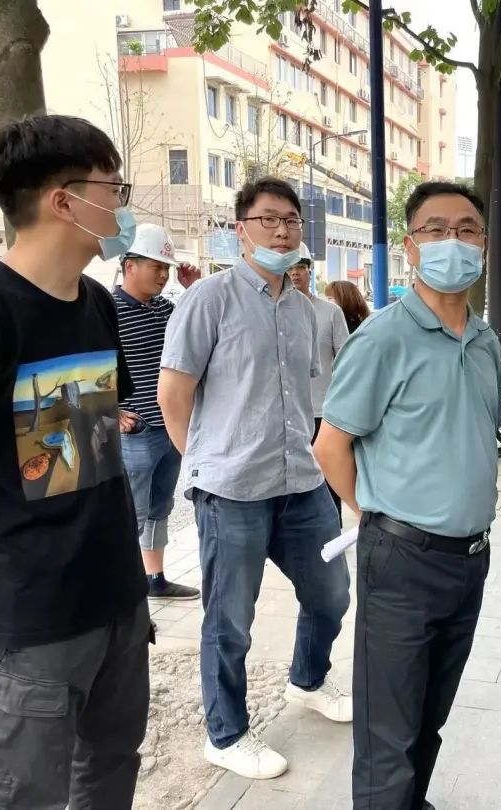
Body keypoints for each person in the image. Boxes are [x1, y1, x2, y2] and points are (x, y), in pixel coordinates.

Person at [0, 115, 150, 808]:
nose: (120, 206)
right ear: (64, 200)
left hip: (114, 595)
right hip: (30, 621)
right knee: (26, 792)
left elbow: (93, 437)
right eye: (113, 188)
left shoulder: (96, 303)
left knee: (111, 765)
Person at [315, 181, 501, 810]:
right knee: (387, 733)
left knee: (429, 717)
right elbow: (331, 447)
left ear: (484, 242)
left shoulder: (486, 341)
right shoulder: (383, 338)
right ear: (411, 245)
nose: (454, 241)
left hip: (469, 558)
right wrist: (377, 517)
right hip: (402, 559)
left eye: (467, 229)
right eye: (436, 229)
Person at [157, 176, 351, 781]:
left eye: (291, 220)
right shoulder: (208, 299)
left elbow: (306, 397)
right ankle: (227, 733)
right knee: (229, 620)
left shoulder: (305, 309)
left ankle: (308, 680)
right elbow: (173, 394)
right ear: (241, 230)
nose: (282, 231)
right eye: (269, 219)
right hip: (232, 491)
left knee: (332, 593)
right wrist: (203, 464)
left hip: (301, 483)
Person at [115, 223, 201, 600]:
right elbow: (90, 366)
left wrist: (192, 289)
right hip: (136, 431)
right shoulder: (108, 309)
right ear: (129, 265)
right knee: (131, 513)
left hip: (170, 426)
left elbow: (198, 334)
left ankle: (154, 579)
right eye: (156, 267)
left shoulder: (167, 309)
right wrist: (111, 411)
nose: (163, 275)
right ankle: (123, 593)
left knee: (160, 507)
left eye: (166, 268)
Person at [288, 253, 349, 524]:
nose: (295, 273)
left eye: (300, 267)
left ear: (309, 272)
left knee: (328, 479)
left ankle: (332, 530)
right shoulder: (271, 312)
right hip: (287, 414)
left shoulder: (330, 312)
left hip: (323, 410)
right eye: (290, 268)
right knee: (292, 484)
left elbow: (347, 359)